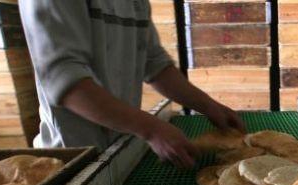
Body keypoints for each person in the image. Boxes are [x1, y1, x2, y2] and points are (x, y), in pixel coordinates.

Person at [18, 0, 245, 168]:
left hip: (120, 147)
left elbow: (154, 63)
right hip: (73, 161)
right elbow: (63, 77)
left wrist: (208, 105)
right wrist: (152, 129)